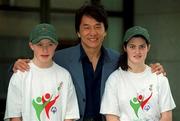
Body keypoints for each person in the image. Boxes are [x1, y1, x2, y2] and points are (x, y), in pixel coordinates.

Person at [11, 4, 165, 121]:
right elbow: (38, 67)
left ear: (105, 31)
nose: (92, 33)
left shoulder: (118, 59)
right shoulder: (61, 58)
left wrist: (154, 68)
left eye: (98, 27)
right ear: (78, 32)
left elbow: (138, 72)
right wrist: (17, 66)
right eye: (86, 27)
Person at [4, 23, 79, 121]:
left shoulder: (64, 75)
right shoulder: (20, 75)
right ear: (31, 46)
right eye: (40, 44)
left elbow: (70, 115)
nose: (45, 49)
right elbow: (15, 116)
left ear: (56, 45)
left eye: (50, 44)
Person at [100, 26, 176, 121]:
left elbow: (167, 117)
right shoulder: (114, 79)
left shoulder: (159, 78)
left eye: (142, 46)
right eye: (132, 46)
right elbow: (111, 118)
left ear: (148, 47)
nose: (137, 51)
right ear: (125, 48)